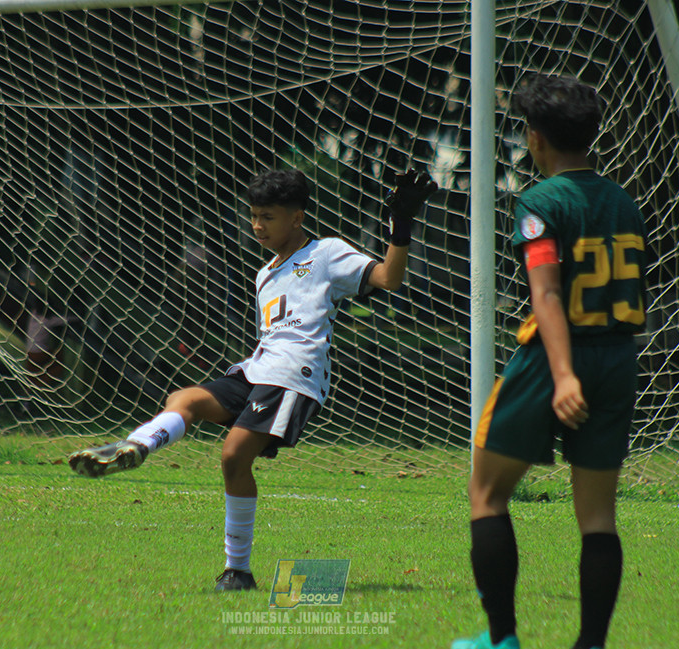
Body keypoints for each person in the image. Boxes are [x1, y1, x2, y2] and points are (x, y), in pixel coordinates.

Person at [68, 167, 437, 591]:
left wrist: (402, 225)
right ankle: (137, 445)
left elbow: (389, 278)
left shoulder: (327, 253)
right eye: (253, 215)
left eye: (269, 217)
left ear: (297, 218)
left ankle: (237, 570)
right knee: (184, 398)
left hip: (295, 377)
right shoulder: (264, 274)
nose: (258, 225)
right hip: (256, 370)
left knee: (233, 455)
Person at [450, 74, 646, 649]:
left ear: (534, 139)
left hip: (552, 359)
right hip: (617, 359)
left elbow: (548, 296)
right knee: (597, 515)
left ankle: (502, 641)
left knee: (486, 492)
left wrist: (562, 375)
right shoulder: (624, 201)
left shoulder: (539, 203)